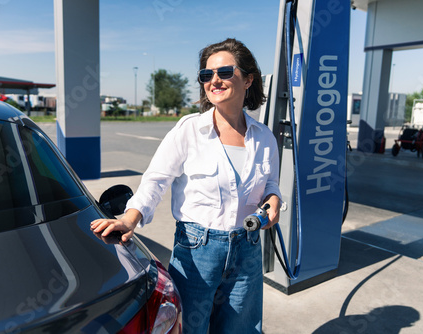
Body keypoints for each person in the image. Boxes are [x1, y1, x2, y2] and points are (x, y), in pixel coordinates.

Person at [90, 38, 281, 333]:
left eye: (225, 72)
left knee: (241, 329)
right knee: (190, 328)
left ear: (248, 79)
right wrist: (129, 219)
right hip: (197, 251)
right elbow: (156, 179)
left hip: (248, 249)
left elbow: (271, 185)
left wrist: (274, 200)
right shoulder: (188, 129)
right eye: (207, 75)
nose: (214, 80)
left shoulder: (265, 137)